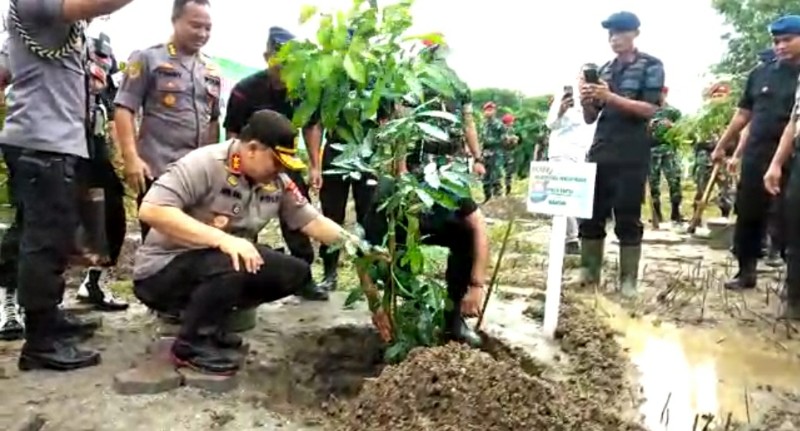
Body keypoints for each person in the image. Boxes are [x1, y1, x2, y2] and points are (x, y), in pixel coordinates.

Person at [133, 110, 359, 374]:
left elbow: (312, 221)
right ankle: (191, 345)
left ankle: (211, 321)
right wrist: (222, 239)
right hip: (161, 274)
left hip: (218, 266)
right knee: (232, 259)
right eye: (276, 163)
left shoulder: (276, 182)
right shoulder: (204, 164)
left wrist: (356, 246)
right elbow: (151, 210)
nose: (280, 171)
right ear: (252, 149)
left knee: (295, 273)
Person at [0, 0, 137, 371]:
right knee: (43, 242)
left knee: (55, 237)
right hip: (40, 143)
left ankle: (49, 318)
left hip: (53, 143)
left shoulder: (58, 25)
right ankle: (41, 343)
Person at [359, 38, 489, 347]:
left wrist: (477, 285)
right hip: (403, 227)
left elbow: (481, 228)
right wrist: (377, 305)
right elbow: (361, 253)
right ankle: (402, 311)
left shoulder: (445, 186)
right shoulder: (390, 194)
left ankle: (452, 319)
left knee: (466, 236)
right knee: (389, 252)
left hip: (437, 203)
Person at [222, 26, 328, 301]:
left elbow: (311, 127)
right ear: (266, 56)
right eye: (279, 62)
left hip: (288, 164)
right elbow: (232, 134)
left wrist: (315, 165)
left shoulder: (302, 89)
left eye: (291, 63)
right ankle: (243, 277)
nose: (284, 69)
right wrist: (234, 169)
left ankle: (304, 277)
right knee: (241, 219)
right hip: (249, 165)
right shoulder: (245, 90)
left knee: (297, 219)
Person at [576, 11, 665, 297]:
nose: (614, 38)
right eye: (611, 34)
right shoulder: (604, 70)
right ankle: (590, 277)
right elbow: (591, 118)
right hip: (602, 149)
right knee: (590, 217)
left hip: (632, 153)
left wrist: (610, 97)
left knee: (627, 217)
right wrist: (587, 100)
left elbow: (649, 110)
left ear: (635, 33)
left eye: (620, 32)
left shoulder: (651, 65)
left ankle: (628, 283)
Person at [115, 0, 219, 242]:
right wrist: (131, 158)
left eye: (208, 28)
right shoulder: (147, 58)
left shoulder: (211, 69)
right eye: (195, 26)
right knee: (156, 243)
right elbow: (124, 108)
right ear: (175, 21)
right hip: (158, 169)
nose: (202, 34)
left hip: (196, 174)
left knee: (193, 241)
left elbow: (213, 122)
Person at [712, 15, 800, 290]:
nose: (780, 46)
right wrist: (722, 146)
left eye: (788, 40)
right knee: (748, 211)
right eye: (776, 41)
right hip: (758, 152)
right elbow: (742, 115)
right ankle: (745, 271)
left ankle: (792, 281)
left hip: (794, 157)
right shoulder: (761, 74)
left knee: (790, 217)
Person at [74, 31, 129, 312]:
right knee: (40, 222)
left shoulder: (100, 46)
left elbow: (111, 99)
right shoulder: (41, 31)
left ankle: (94, 282)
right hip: (47, 141)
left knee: (112, 211)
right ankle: (11, 299)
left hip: (92, 142)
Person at [545, 82, 597, 256]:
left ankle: (574, 236)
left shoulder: (591, 103)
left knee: (576, 198)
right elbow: (550, 124)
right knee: (559, 197)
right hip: (559, 154)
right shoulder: (561, 101)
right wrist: (560, 109)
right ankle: (570, 238)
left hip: (579, 155)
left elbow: (591, 128)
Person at [648, 87, 683, 225]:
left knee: (674, 179)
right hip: (651, 150)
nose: (658, 95)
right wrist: (649, 126)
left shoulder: (673, 112)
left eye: (661, 92)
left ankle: (676, 212)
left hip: (669, 149)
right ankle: (656, 213)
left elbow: (683, 129)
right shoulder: (647, 110)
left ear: (665, 93)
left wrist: (672, 126)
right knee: (653, 182)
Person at [692, 133, 733, 222]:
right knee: (702, 188)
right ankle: (696, 218)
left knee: (726, 189)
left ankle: (724, 218)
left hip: (726, 155)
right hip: (705, 154)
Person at [481, 102, 505, 201]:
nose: (488, 112)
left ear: (494, 111)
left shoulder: (499, 125)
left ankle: (497, 200)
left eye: (490, 110)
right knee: (485, 177)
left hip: (496, 153)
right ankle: (487, 198)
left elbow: (504, 140)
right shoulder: (484, 124)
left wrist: (491, 141)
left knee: (496, 177)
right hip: (485, 153)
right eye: (486, 110)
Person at [500, 113, 519, 195]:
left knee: (508, 173)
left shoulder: (511, 130)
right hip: (503, 153)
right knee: (503, 173)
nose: (513, 123)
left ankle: (508, 188)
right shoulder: (503, 130)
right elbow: (504, 141)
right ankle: (502, 190)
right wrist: (513, 139)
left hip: (509, 153)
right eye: (511, 121)